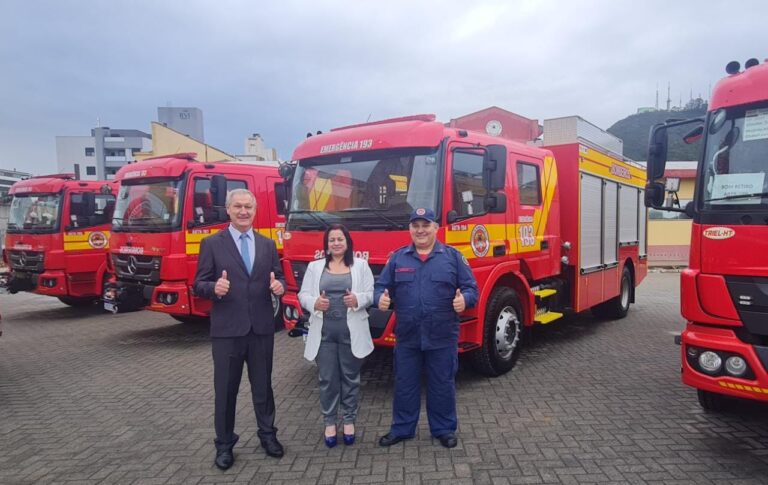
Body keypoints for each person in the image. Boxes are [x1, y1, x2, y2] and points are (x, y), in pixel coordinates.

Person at [193, 188, 286, 470]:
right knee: (225, 391)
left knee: (263, 388)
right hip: (227, 331)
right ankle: (224, 445)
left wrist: (279, 287)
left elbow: (278, 276)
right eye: (238, 207)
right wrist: (213, 288)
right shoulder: (212, 244)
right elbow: (199, 283)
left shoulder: (267, 244)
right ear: (228, 210)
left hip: (260, 329)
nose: (244, 211)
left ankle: (268, 436)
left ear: (255, 210)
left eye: (248, 207)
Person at [374, 208, 478, 449]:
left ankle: (443, 429)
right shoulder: (398, 258)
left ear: (435, 228)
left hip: (441, 335)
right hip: (408, 336)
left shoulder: (452, 257)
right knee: (405, 384)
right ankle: (402, 429)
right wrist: (379, 298)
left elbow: (471, 288)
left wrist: (465, 301)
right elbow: (381, 286)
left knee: (442, 384)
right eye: (415, 225)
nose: (420, 230)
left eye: (425, 225)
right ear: (410, 229)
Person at [298, 224, 374, 448]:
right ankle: (330, 422)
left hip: (352, 333)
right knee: (327, 380)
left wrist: (357, 299)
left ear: (348, 242)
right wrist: (314, 303)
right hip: (324, 335)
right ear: (327, 244)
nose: (336, 243)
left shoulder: (360, 265)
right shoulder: (314, 267)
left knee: (351, 379)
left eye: (340, 239)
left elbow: (371, 294)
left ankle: (349, 420)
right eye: (332, 240)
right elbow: (303, 295)